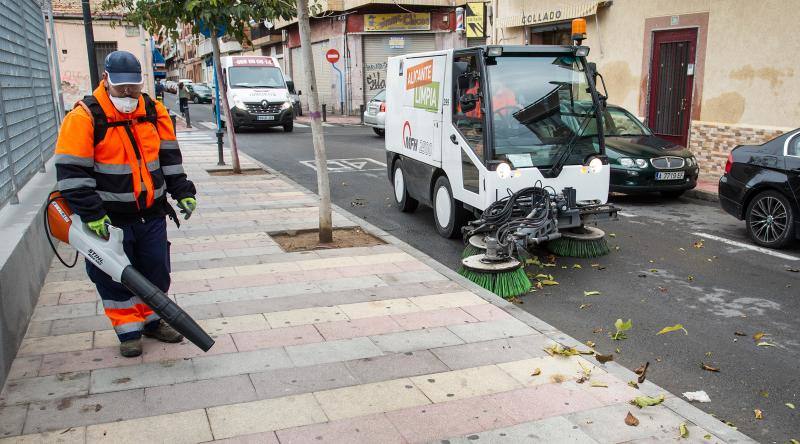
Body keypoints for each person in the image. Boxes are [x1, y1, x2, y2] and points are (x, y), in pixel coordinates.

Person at [54, 51, 197, 357]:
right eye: (122, 89)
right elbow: (71, 172)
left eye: (134, 87)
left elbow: (169, 156)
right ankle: (128, 331)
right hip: (108, 218)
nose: (128, 94)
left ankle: (152, 320)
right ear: (106, 81)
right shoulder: (84, 117)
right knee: (113, 276)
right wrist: (91, 213)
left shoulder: (151, 110)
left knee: (156, 270)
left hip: (151, 213)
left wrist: (182, 190)